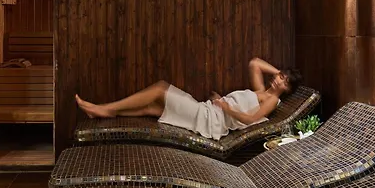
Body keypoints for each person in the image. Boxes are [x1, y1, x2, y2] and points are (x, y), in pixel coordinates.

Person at [75, 58, 303, 140]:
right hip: (209, 110)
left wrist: (225, 107)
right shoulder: (262, 91)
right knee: (153, 108)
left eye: (284, 82)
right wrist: (279, 73)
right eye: (280, 76)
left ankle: (105, 109)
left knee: (160, 89)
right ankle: (106, 111)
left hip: (210, 119)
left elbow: (250, 119)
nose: (279, 81)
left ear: (288, 89)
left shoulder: (271, 101)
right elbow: (254, 63)